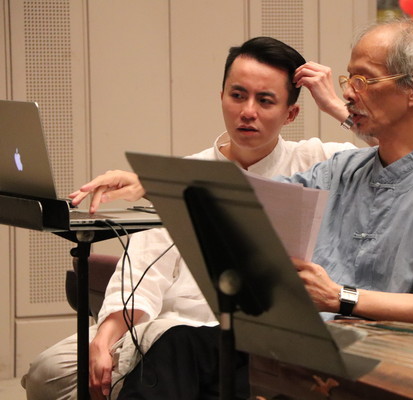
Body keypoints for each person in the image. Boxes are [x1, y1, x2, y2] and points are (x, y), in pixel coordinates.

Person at [114, 17, 413, 399]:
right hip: (310, 352)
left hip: (391, 363)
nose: (348, 94)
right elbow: (253, 197)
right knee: (181, 346)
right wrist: (157, 184)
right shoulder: (342, 169)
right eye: (349, 80)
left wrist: (341, 297)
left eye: (364, 80)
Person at [21, 36, 356, 400]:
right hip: (166, 328)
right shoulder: (185, 170)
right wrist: (105, 336)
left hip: (249, 338)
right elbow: (144, 271)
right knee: (47, 373)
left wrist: (336, 106)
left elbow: (393, 155)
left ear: (290, 113)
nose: (248, 112)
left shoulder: (319, 161)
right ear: (221, 96)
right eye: (238, 95)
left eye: (265, 100)